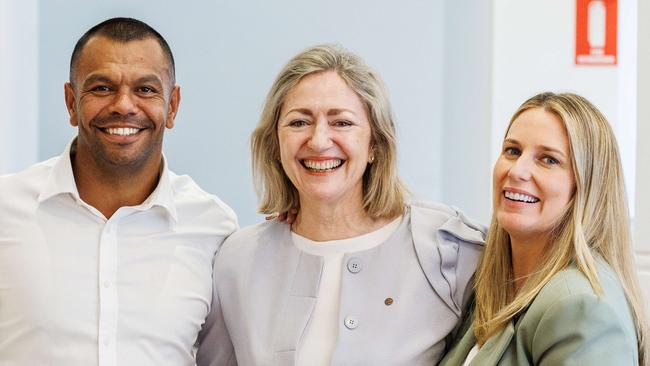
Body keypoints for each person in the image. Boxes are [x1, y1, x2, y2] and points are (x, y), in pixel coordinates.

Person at [196, 44, 485, 366]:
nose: (319, 141)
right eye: (298, 122)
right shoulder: (236, 260)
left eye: (342, 123)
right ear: (275, 143)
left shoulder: (449, 248)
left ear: (375, 143)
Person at [0, 17, 237, 365]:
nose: (124, 105)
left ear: (172, 105)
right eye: (101, 88)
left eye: (145, 89)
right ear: (71, 101)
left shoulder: (214, 228)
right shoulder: (6, 209)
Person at [439, 92, 648, 365]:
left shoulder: (580, 307)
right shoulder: (495, 283)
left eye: (548, 159)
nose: (517, 171)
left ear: (587, 185)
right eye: (512, 151)